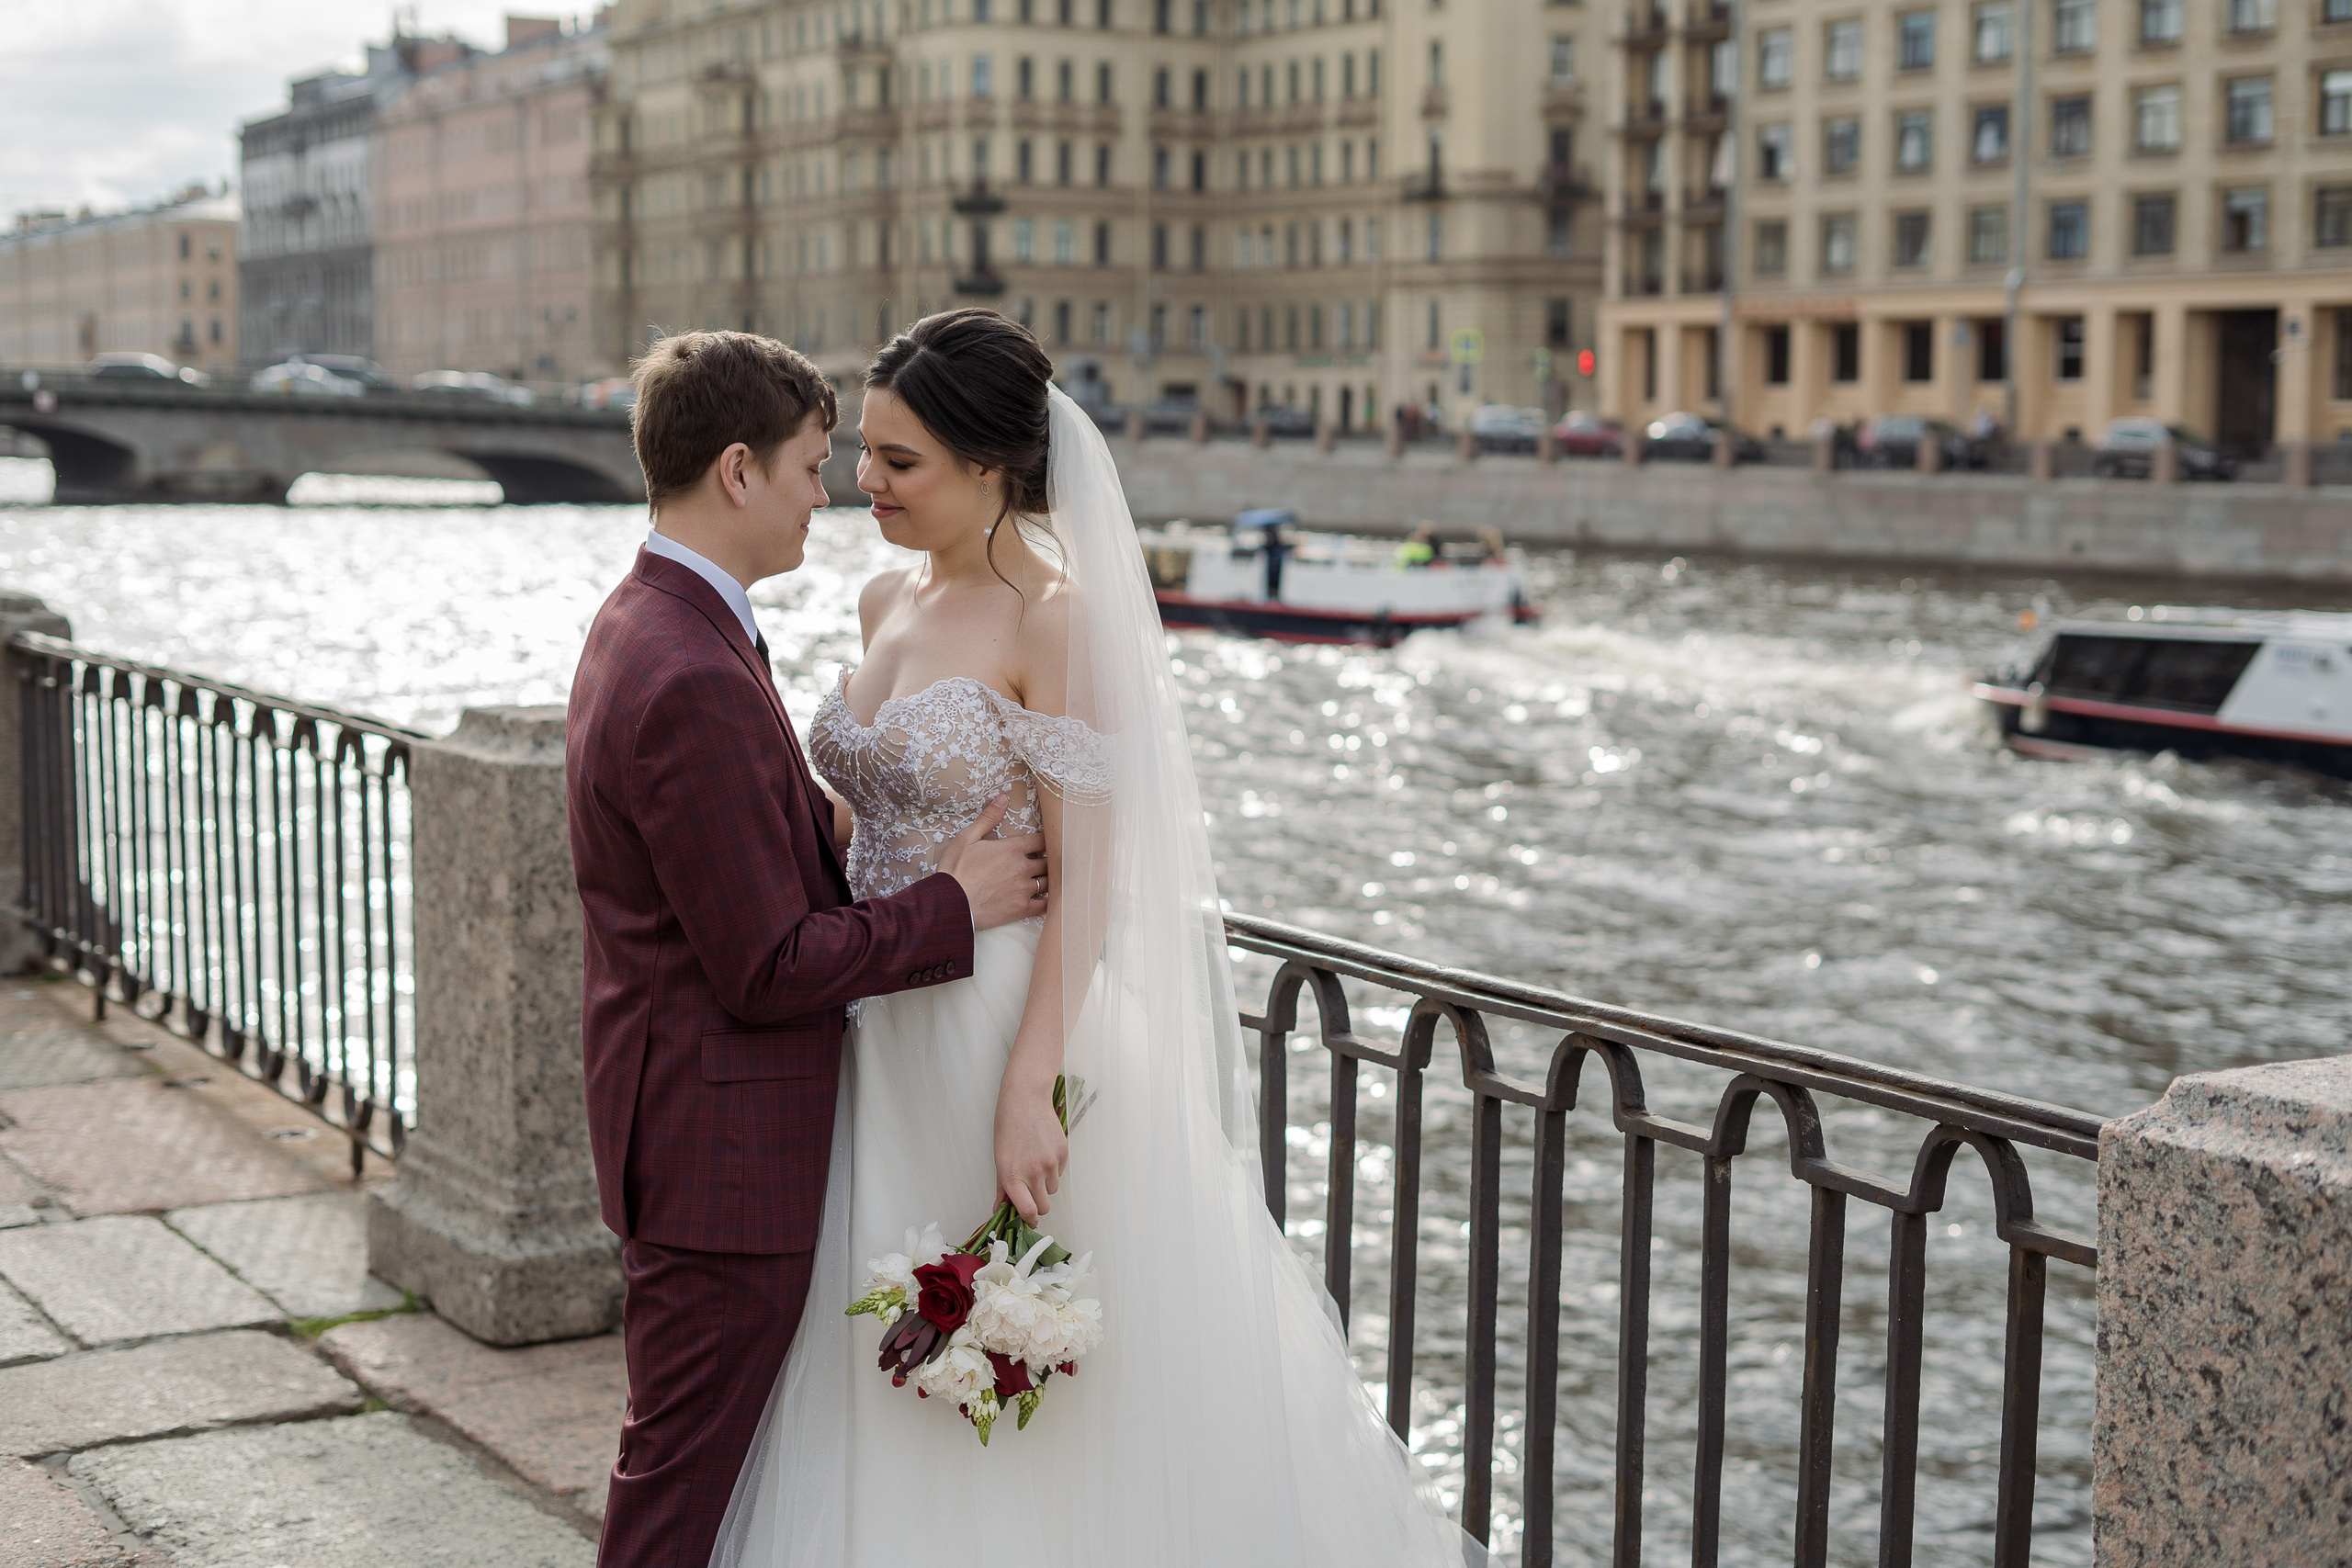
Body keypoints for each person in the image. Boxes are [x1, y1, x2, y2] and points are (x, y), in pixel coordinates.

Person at [710, 309, 1469, 1567]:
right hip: (880, 1014)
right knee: (877, 1337)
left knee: (1014, 1345)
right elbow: (863, 808)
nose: (864, 483)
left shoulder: (1054, 622)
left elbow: (1096, 879)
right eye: (866, 455)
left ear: (992, 467)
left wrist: (1029, 1085)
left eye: (901, 462)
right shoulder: (881, 590)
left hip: (994, 1022)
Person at [565, 331, 1053, 1568]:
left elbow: (726, 851)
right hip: (724, 1150)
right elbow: (764, 963)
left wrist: (834, 822)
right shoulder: (690, 666)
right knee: (679, 1490)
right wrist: (951, 897)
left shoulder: (653, 618)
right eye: (814, 464)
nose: (829, 491)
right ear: (738, 470)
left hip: (729, 1109)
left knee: (700, 1465)